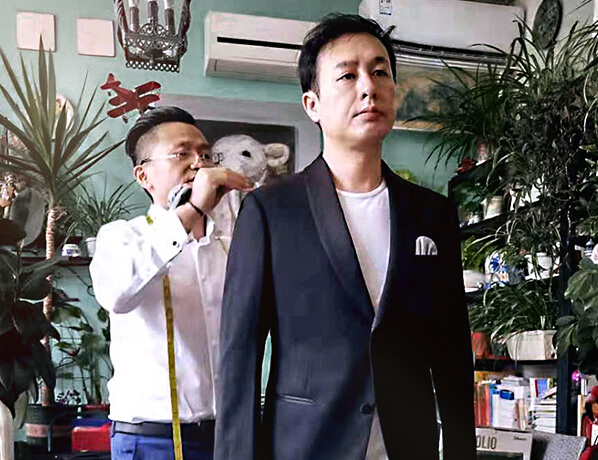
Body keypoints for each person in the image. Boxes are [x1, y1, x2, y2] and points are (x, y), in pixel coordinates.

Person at [214, 13, 476, 460]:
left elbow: (452, 350)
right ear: (312, 104)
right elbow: (240, 357)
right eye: (348, 76)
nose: (368, 87)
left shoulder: (433, 214)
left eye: (380, 72)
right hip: (306, 445)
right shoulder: (271, 211)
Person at [90, 106, 251, 460]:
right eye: (182, 154)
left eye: (205, 155)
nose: (199, 164)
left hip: (227, 435)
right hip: (150, 440)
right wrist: (191, 210)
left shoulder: (231, 245)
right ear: (143, 175)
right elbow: (116, 294)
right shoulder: (122, 237)